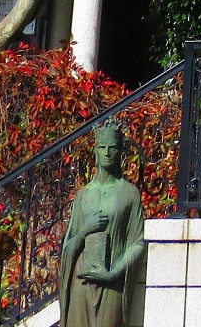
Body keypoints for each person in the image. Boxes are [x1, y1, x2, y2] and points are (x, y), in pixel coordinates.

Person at [58, 121, 147, 327]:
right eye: (102, 147)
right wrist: (85, 231)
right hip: (82, 280)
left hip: (112, 281)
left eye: (112, 147)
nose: (107, 153)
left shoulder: (129, 193)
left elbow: (138, 242)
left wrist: (114, 273)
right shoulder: (83, 195)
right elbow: (68, 246)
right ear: (95, 150)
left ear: (120, 151)